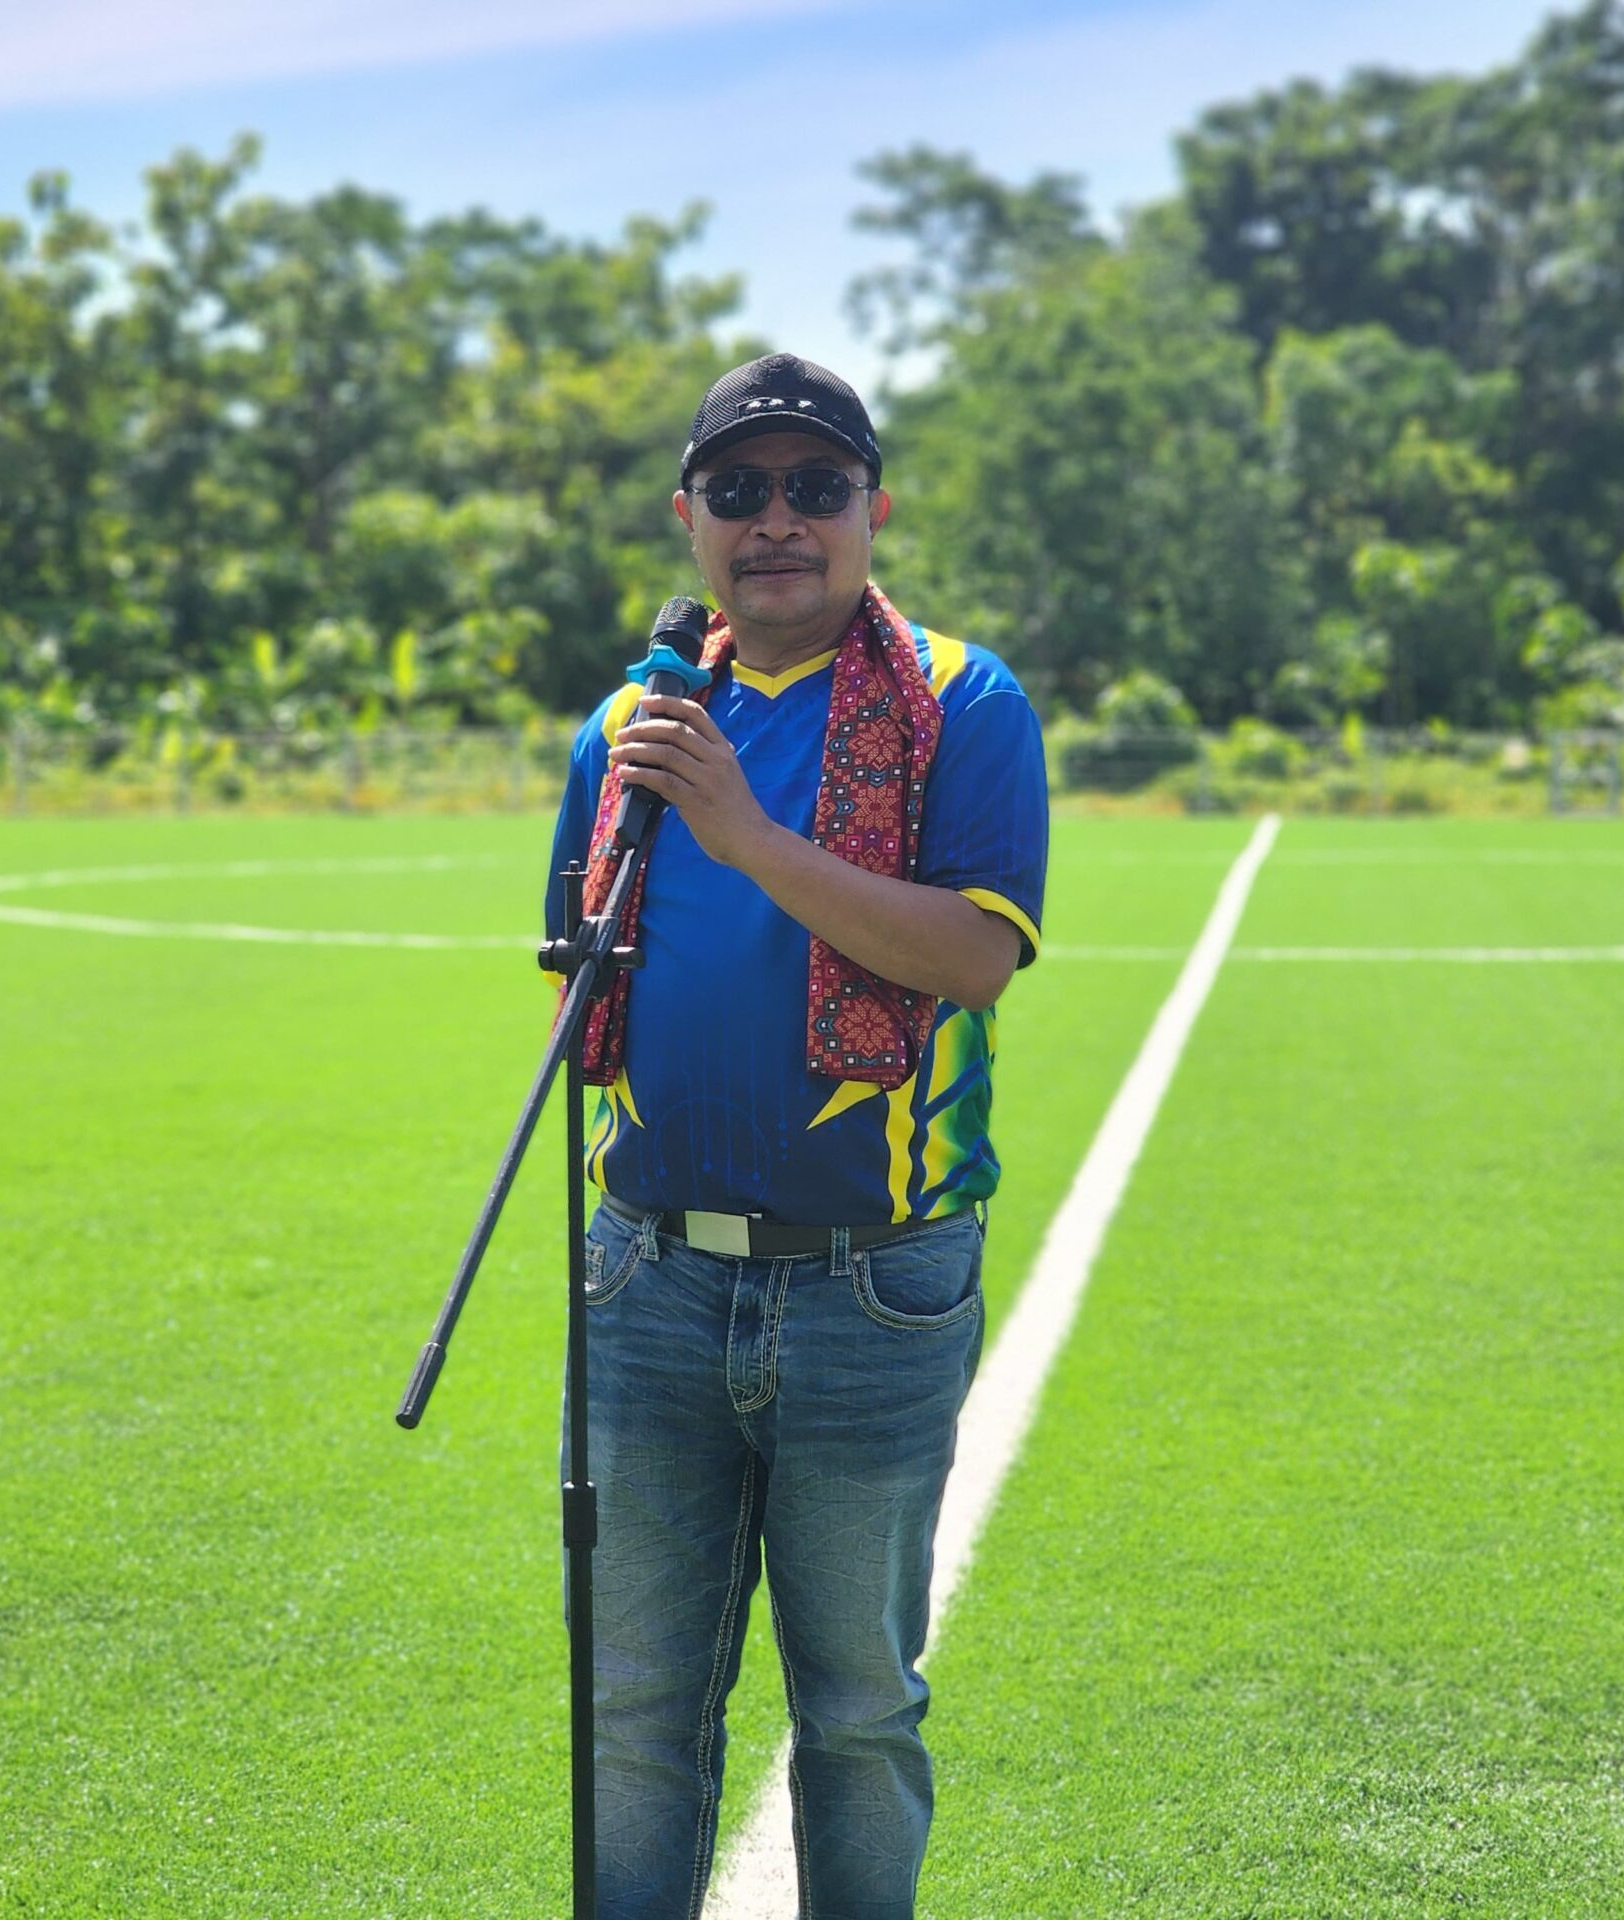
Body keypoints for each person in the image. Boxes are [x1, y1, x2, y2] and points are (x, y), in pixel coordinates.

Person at [544, 352, 1049, 1919]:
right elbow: (583, 997)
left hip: (873, 1289)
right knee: (631, 1722)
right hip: (645, 1288)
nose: (779, 521)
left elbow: (973, 955)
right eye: (742, 490)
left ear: (873, 510)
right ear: (688, 517)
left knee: (856, 1716)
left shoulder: (964, 700)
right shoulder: (629, 725)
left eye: (815, 488)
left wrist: (745, 834)